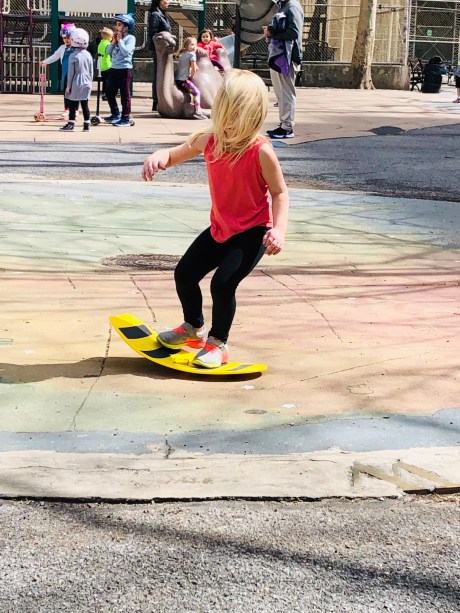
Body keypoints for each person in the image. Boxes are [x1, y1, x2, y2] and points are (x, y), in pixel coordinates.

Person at [141, 70, 289, 368]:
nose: (230, 125)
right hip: (221, 228)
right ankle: (193, 327)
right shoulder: (209, 140)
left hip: (253, 232)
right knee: (184, 274)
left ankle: (218, 343)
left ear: (253, 117)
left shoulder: (261, 152)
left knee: (222, 284)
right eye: (226, 115)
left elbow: (280, 193)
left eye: (238, 118)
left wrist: (279, 230)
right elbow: (174, 154)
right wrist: (159, 156)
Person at [262, 0, 304, 139]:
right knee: (281, 93)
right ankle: (284, 124)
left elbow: (293, 32)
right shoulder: (283, 5)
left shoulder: (292, 6)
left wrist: (271, 34)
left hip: (288, 57)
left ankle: (287, 127)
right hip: (280, 56)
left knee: (286, 93)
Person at [104, 13, 136, 127]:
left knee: (125, 95)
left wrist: (120, 41)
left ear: (126, 27)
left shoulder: (130, 38)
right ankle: (115, 114)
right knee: (109, 93)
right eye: (116, 25)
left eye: (119, 25)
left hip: (124, 69)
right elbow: (108, 52)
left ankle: (126, 118)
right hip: (114, 68)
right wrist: (113, 42)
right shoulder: (116, 39)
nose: (116, 27)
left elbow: (126, 52)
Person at [60, 28, 93, 132]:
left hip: (76, 82)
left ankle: (71, 124)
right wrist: (90, 82)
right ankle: (86, 125)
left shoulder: (73, 56)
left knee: (73, 104)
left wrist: (68, 86)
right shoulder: (88, 55)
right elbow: (91, 71)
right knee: (85, 104)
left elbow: (71, 73)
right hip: (87, 82)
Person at [41, 22, 76, 118]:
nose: (66, 40)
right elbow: (55, 56)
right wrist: (45, 62)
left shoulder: (77, 48)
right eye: (64, 38)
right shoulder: (62, 48)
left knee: (75, 92)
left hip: (75, 74)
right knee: (66, 92)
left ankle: (76, 109)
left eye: (68, 37)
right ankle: (67, 109)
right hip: (66, 74)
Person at [174, 37, 207, 120]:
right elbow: (194, 68)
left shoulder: (183, 54)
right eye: (192, 45)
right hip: (183, 80)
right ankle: (198, 111)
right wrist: (192, 77)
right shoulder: (192, 54)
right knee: (197, 92)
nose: (194, 47)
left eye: (195, 45)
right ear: (186, 46)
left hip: (177, 79)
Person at [148, 0, 171, 112]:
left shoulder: (162, 14)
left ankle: (161, 100)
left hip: (164, 50)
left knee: (163, 75)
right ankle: (156, 102)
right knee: (159, 75)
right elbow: (153, 34)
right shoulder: (155, 15)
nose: (169, 1)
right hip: (159, 51)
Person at [97, 27, 113, 100]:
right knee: (108, 81)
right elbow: (110, 54)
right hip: (107, 64)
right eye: (111, 37)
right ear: (108, 37)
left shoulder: (100, 44)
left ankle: (104, 93)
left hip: (101, 65)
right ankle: (107, 94)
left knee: (104, 81)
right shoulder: (108, 44)